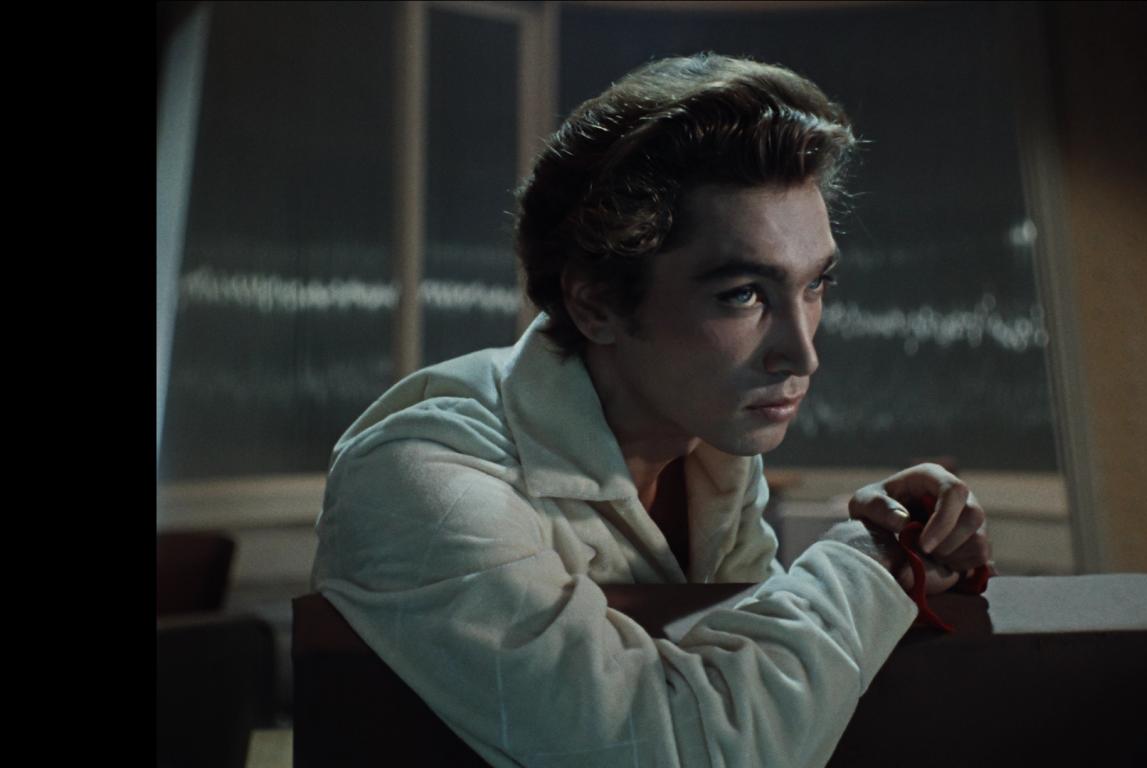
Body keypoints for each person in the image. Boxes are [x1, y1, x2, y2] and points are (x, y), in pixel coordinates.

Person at [311, 52, 991, 768]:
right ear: (596, 303)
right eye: (742, 294)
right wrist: (865, 563)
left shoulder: (710, 447)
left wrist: (909, 546)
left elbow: (750, 684)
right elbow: (676, 752)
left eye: (814, 285)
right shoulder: (425, 478)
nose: (802, 354)